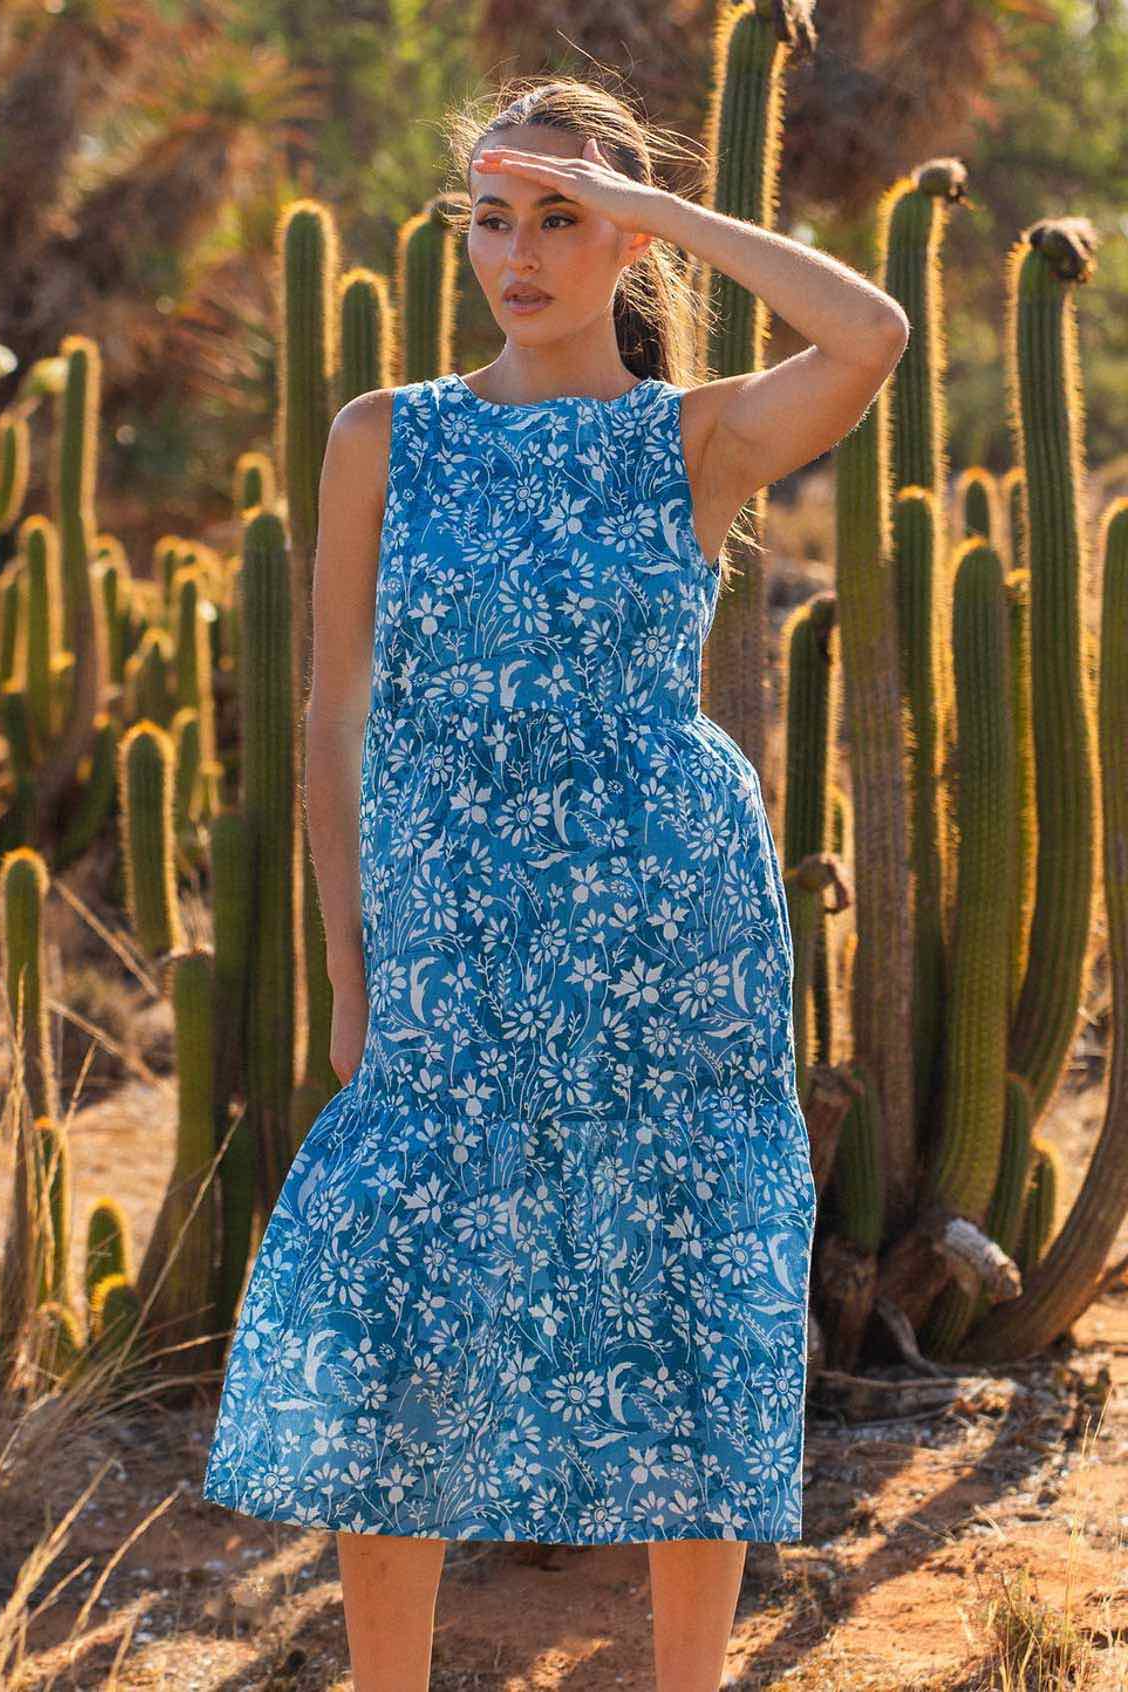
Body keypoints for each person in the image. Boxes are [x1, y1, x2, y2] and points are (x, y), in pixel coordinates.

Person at [203, 73, 908, 1692]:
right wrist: (344, 970)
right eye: (493, 216)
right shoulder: (384, 435)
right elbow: (332, 717)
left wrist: (658, 206)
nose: (518, 252)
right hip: (451, 916)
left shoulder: (695, 436)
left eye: (560, 217)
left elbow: (869, 337)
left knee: (681, 1285)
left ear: (624, 243)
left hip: (671, 927)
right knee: (400, 1299)